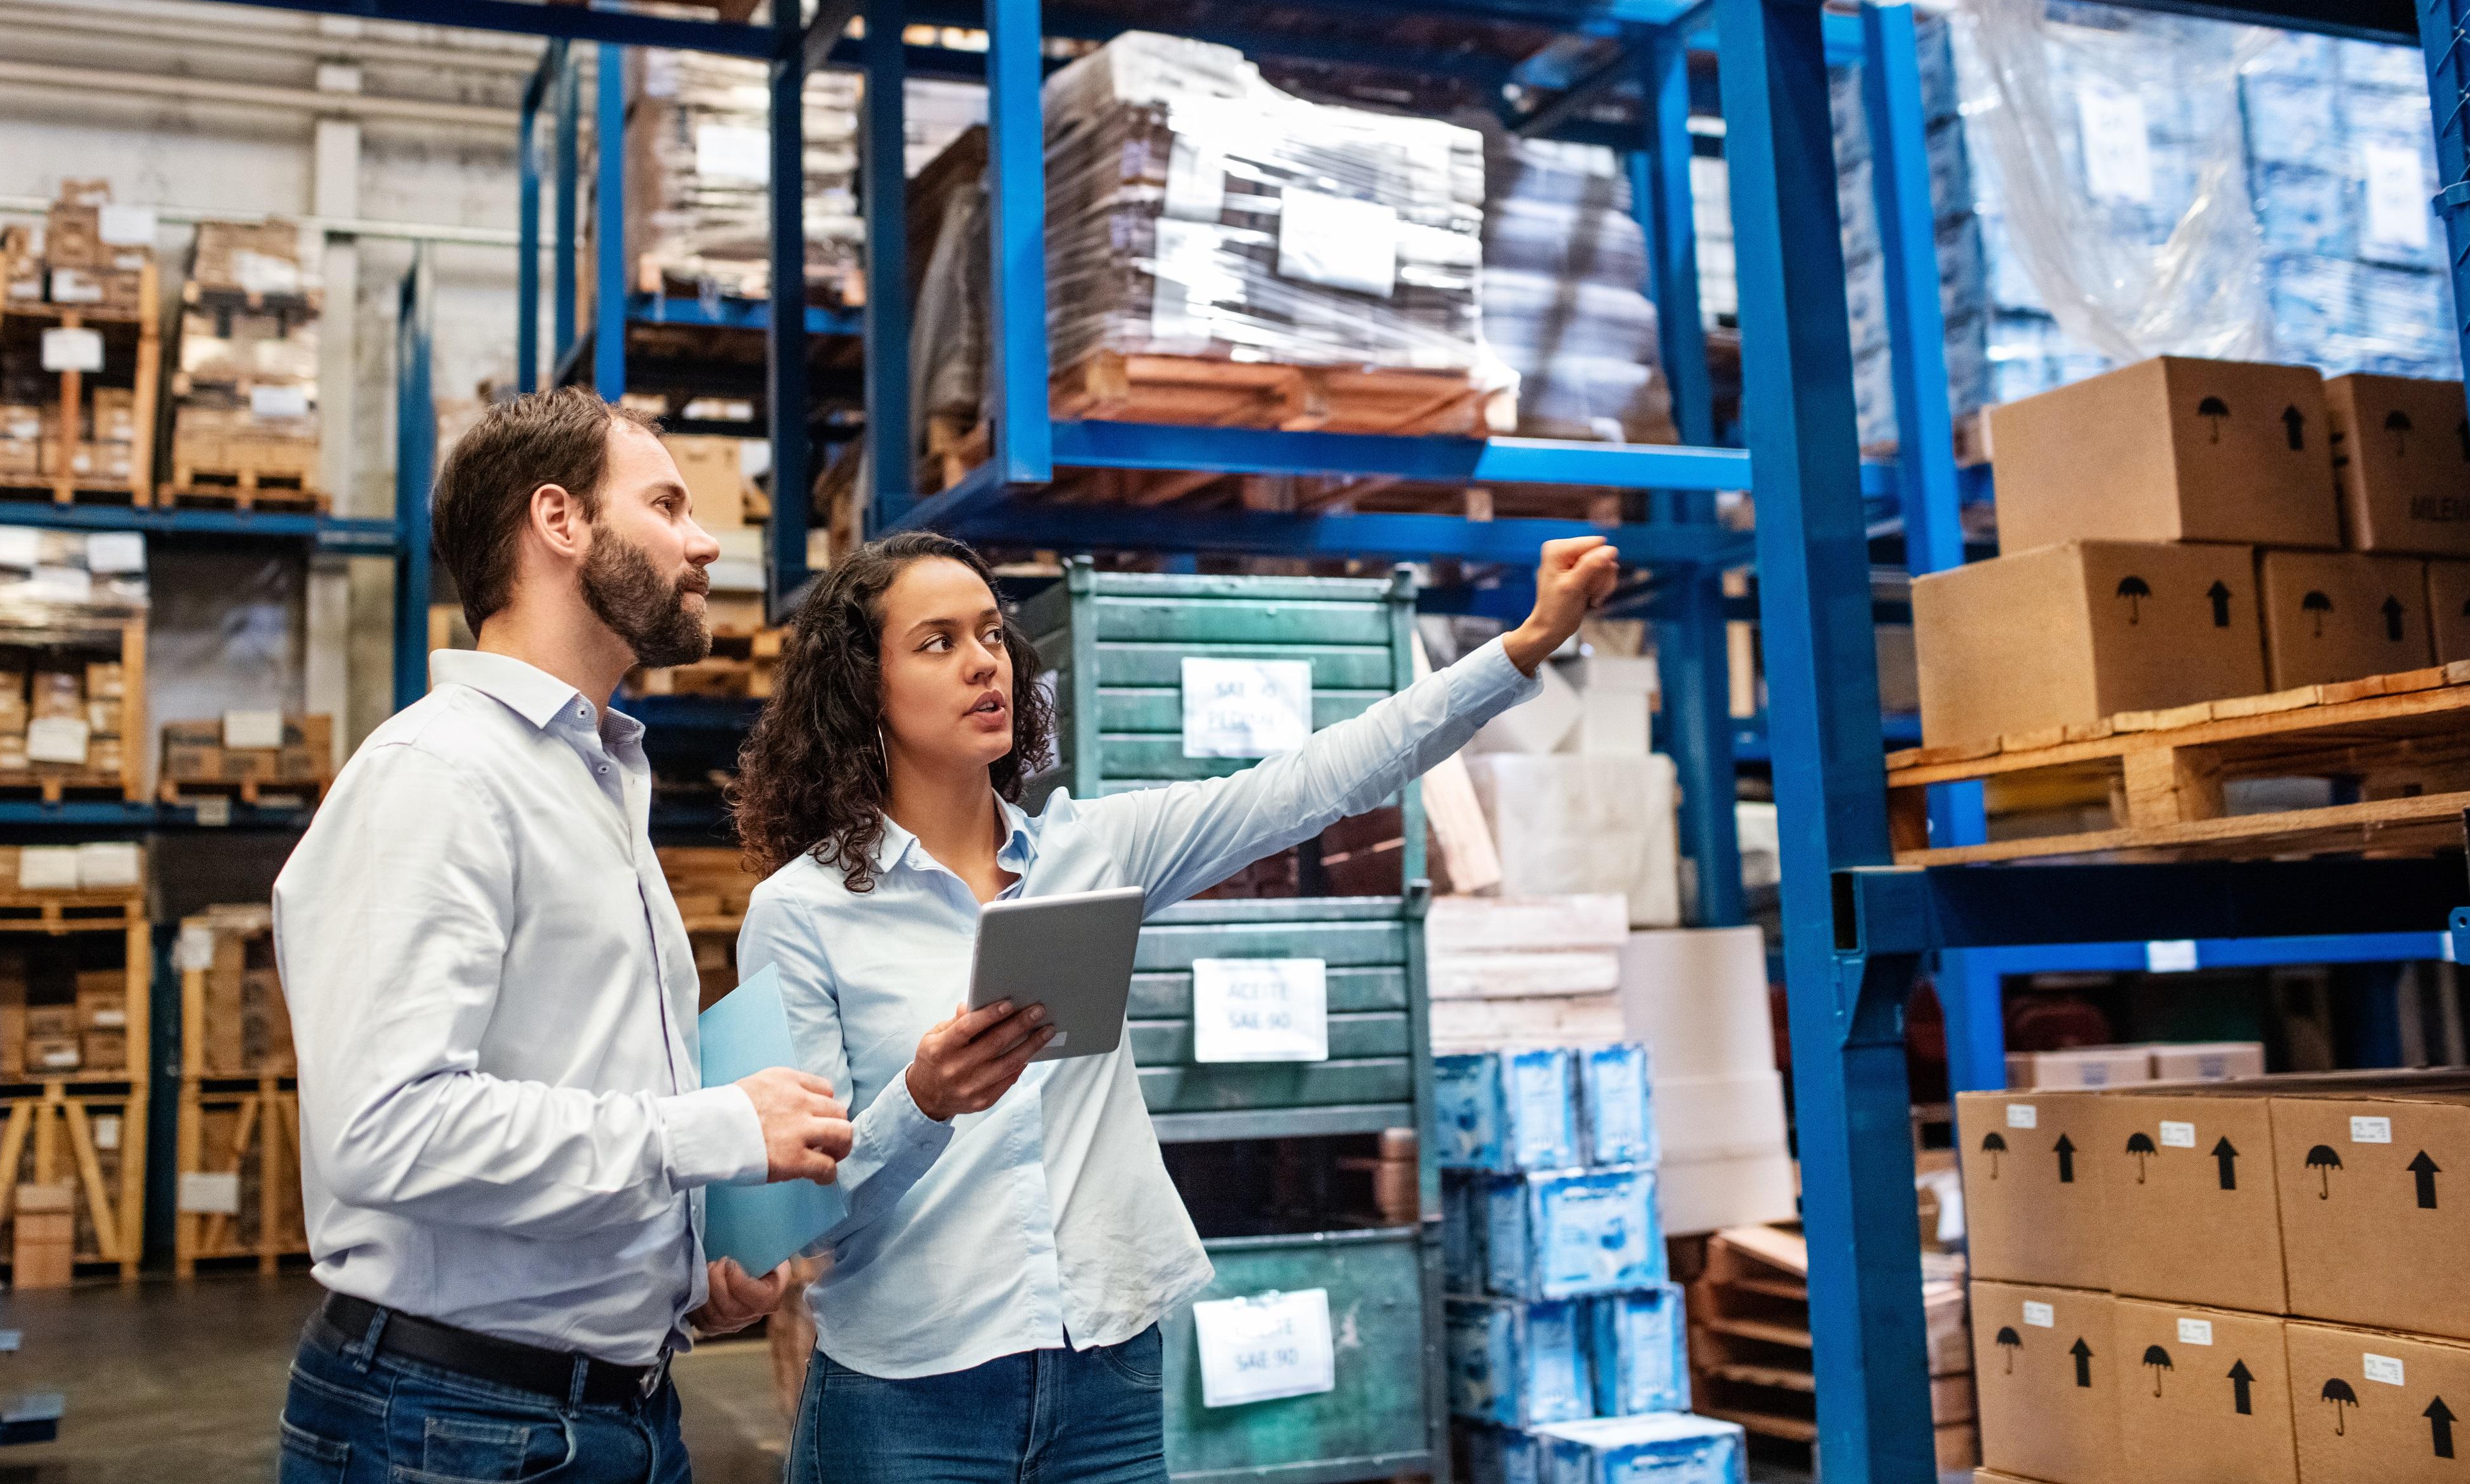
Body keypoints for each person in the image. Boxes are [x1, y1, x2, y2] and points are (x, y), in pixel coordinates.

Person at [733, 530, 1620, 1483]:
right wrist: (923, 1101)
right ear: (863, 690)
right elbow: (797, 1220)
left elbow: (1320, 777)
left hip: (1105, 1381)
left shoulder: (1095, 852)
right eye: (938, 641)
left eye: (991, 634)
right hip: (906, 1403)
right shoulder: (800, 912)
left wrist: (1523, 646)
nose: (984, 660)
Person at [272, 388, 905, 1484]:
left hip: (604, 1407)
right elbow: (385, 1130)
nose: (705, 542)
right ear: (559, 521)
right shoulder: (438, 776)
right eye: (666, 504)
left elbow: (565, 1077)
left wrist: (677, 1276)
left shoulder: (592, 773)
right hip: (454, 1427)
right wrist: (707, 1134)